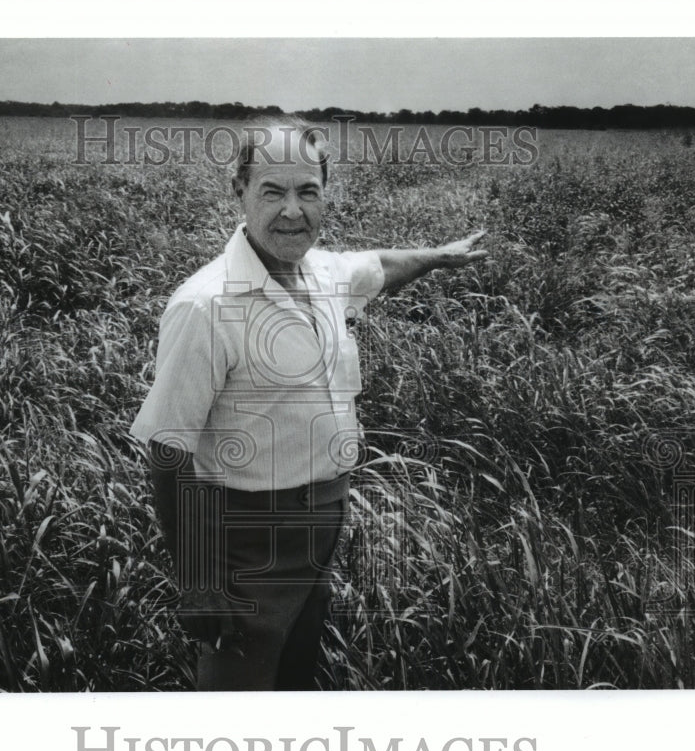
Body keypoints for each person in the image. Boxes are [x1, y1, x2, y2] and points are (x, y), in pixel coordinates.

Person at [130, 117, 487, 690]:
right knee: (238, 700)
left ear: (325, 195)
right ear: (239, 192)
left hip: (322, 526)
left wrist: (440, 256)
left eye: (308, 191)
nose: (292, 210)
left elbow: (378, 267)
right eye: (272, 191)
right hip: (247, 537)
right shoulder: (205, 306)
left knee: (296, 681)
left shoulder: (321, 272)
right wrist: (197, 578)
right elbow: (168, 449)